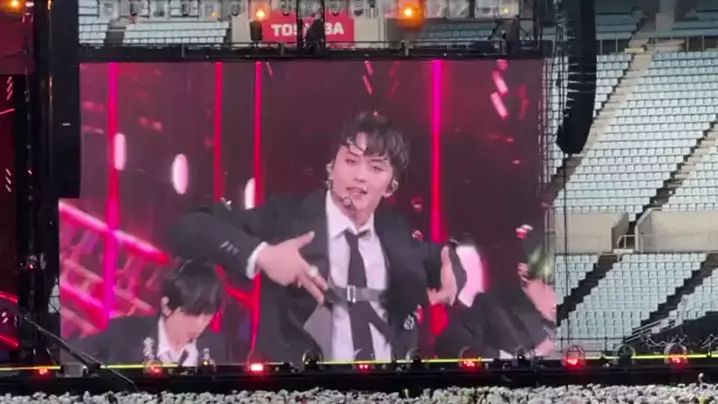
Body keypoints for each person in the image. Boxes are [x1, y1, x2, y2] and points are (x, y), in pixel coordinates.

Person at [167, 112, 464, 365]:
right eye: (351, 161)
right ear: (331, 168)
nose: (360, 176)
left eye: (375, 168)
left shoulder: (396, 233)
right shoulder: (286, 218)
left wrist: (452, 270)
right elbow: (187, 228)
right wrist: (263, 255)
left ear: (390, 185)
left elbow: (445, 258)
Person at [70, 261, 229, 366]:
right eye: (192, 314)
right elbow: (69, 356)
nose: (199, 324)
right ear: (167, 306)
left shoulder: (217, 348)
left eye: (207, 315)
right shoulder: (124, 334)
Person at [434, 242, 556, 359]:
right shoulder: (492, 308)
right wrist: (528, 356)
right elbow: (449, 343)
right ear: (524, 273)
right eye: (551, 284)